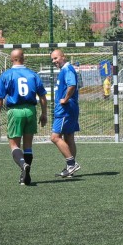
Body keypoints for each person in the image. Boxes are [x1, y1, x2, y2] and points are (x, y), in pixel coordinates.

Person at [0, 48, 48, 185]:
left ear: (12, 59)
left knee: (14, 145)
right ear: (24, 58)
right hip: (30, 110)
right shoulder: (33, 74)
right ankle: (25, 176)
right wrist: (44, 113)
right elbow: (42, 96)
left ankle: (23, 165)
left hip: (15, 111)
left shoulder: (6, 75)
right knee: (28, 145)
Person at [50, 49, 81, 177]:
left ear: (63, 57)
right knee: (69, 137)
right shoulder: (65, 70)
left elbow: (72, 85)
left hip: (65, 108)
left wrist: (65, 99)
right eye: (52, 59)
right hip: (70, 107)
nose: (54, 61)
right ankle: (70, 169)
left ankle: (72, 163)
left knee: (55, 137)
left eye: (56, 58)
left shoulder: (67, 69)